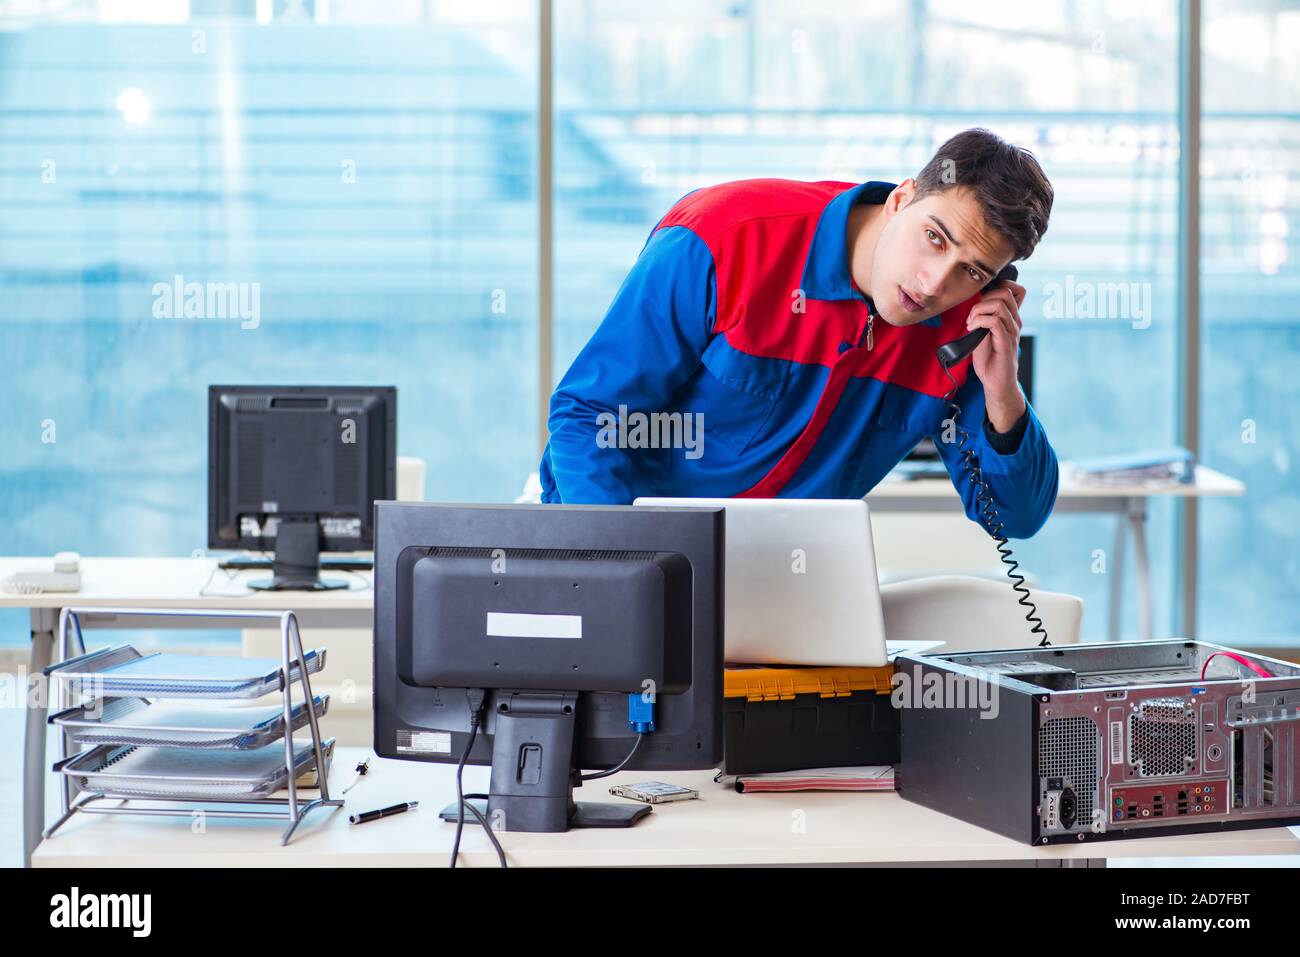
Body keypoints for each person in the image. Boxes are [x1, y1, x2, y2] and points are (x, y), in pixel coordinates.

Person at [540, 127, 1058, 538]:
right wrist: (628, 569)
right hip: (626, 547)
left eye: (973, 271)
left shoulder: (960, 330)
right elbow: (589, 416)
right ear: (901, 200)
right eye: (933, 238)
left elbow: (1014, 519)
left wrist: (1002, 394)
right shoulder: (721, 239)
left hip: (789, 585)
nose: (932, 283)